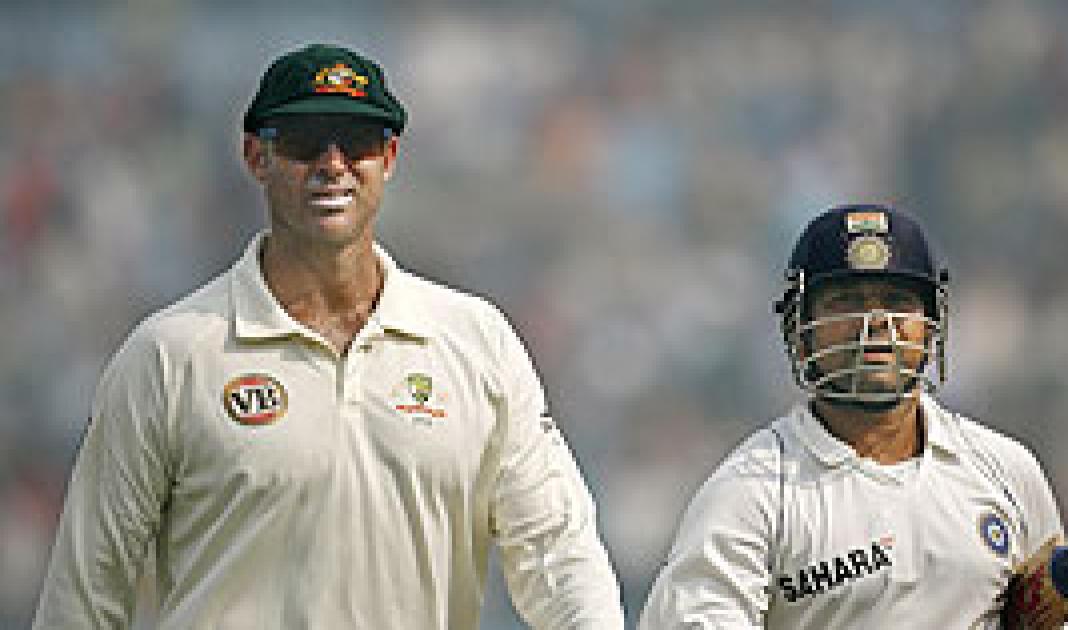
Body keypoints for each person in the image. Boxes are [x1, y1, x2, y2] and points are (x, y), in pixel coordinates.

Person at [34, 43, 625, 629]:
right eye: (304, 141)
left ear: (389, 157)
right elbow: (85, 595)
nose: (333, 163)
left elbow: (557, 551)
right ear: (256, 156)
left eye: (357, 141)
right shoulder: (168, 356)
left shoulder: (477, 342)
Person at [638, 204, 1068, 628]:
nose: (875, 322)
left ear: (932, 325)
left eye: (896, 300)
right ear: (799, 332)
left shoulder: (1008, 472)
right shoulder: (752, 492)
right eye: (846, 301)